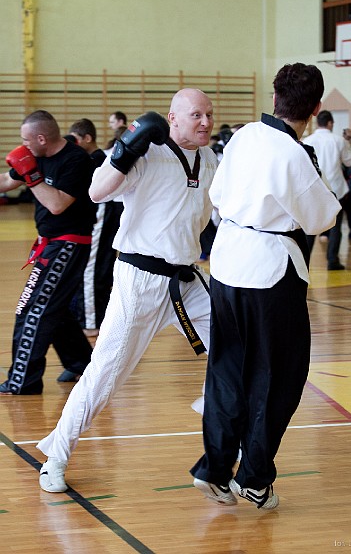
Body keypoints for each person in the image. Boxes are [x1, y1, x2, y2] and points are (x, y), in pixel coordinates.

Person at [36, 88, 218, 492]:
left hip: (186, 281)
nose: (205, 121)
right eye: (196, 115)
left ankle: (214, 406)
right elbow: (96, 192)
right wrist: (125, 149)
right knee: (105, 374)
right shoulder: (148, 152)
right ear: (172, 118)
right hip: (140, 281)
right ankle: (56, 457)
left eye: (209, 113)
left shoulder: (209, 159)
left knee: (239, 338)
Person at [190, 63, 341, 509]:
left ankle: (215, 469)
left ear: (274, 98)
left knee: (226, 370)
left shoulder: (243, 136)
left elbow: (217, 196)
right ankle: (255, 478)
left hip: (227, 262)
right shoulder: (293, 154)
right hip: (270, 273)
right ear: (315, 107)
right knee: (279, 377)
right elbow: (321, 218)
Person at [0, 110, 96, 395]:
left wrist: (31, 175)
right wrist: (27, 170)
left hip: (68, 244)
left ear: (41, 138)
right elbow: (6, 181)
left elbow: (56, 204)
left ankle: (23, 381)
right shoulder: (35, 156)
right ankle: (82, 364)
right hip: (49, 243)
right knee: (56, 307)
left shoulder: (76, 161)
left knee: (32, 307)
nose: (23, 145)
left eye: (26, 140)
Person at [66, 118, 123, 343]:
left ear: (87, 138)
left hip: (101, 216)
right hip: (99, 217)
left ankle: (91, 323)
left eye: (76, 140)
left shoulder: (98, 160)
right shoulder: (92, 159)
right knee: (98, 269)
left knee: (92, 269)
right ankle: (99, 318)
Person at [303, 110, 351, 270]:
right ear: (330, 123)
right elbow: (349, 162)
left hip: (314, 188)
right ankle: (332, 260)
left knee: (310, 227)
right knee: (336, 226)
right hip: (335, 188)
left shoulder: (307, 140)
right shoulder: (339, 140)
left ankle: (304, 262)